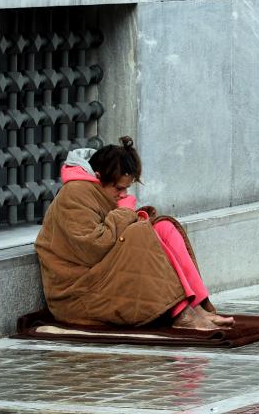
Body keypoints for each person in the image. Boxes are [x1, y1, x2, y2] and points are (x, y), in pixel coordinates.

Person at [35, 136, 234, 330]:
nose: (123, 195)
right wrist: (125, 212)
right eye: (118, 188)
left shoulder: (97, 191)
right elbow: (93, 248)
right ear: (98, 176)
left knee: (164, 227)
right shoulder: (75, 193)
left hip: (100, 277)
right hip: (77, 293)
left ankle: (196, 306)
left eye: (127, 188)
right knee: (139, 233)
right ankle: (182, 314)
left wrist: (128, 215)